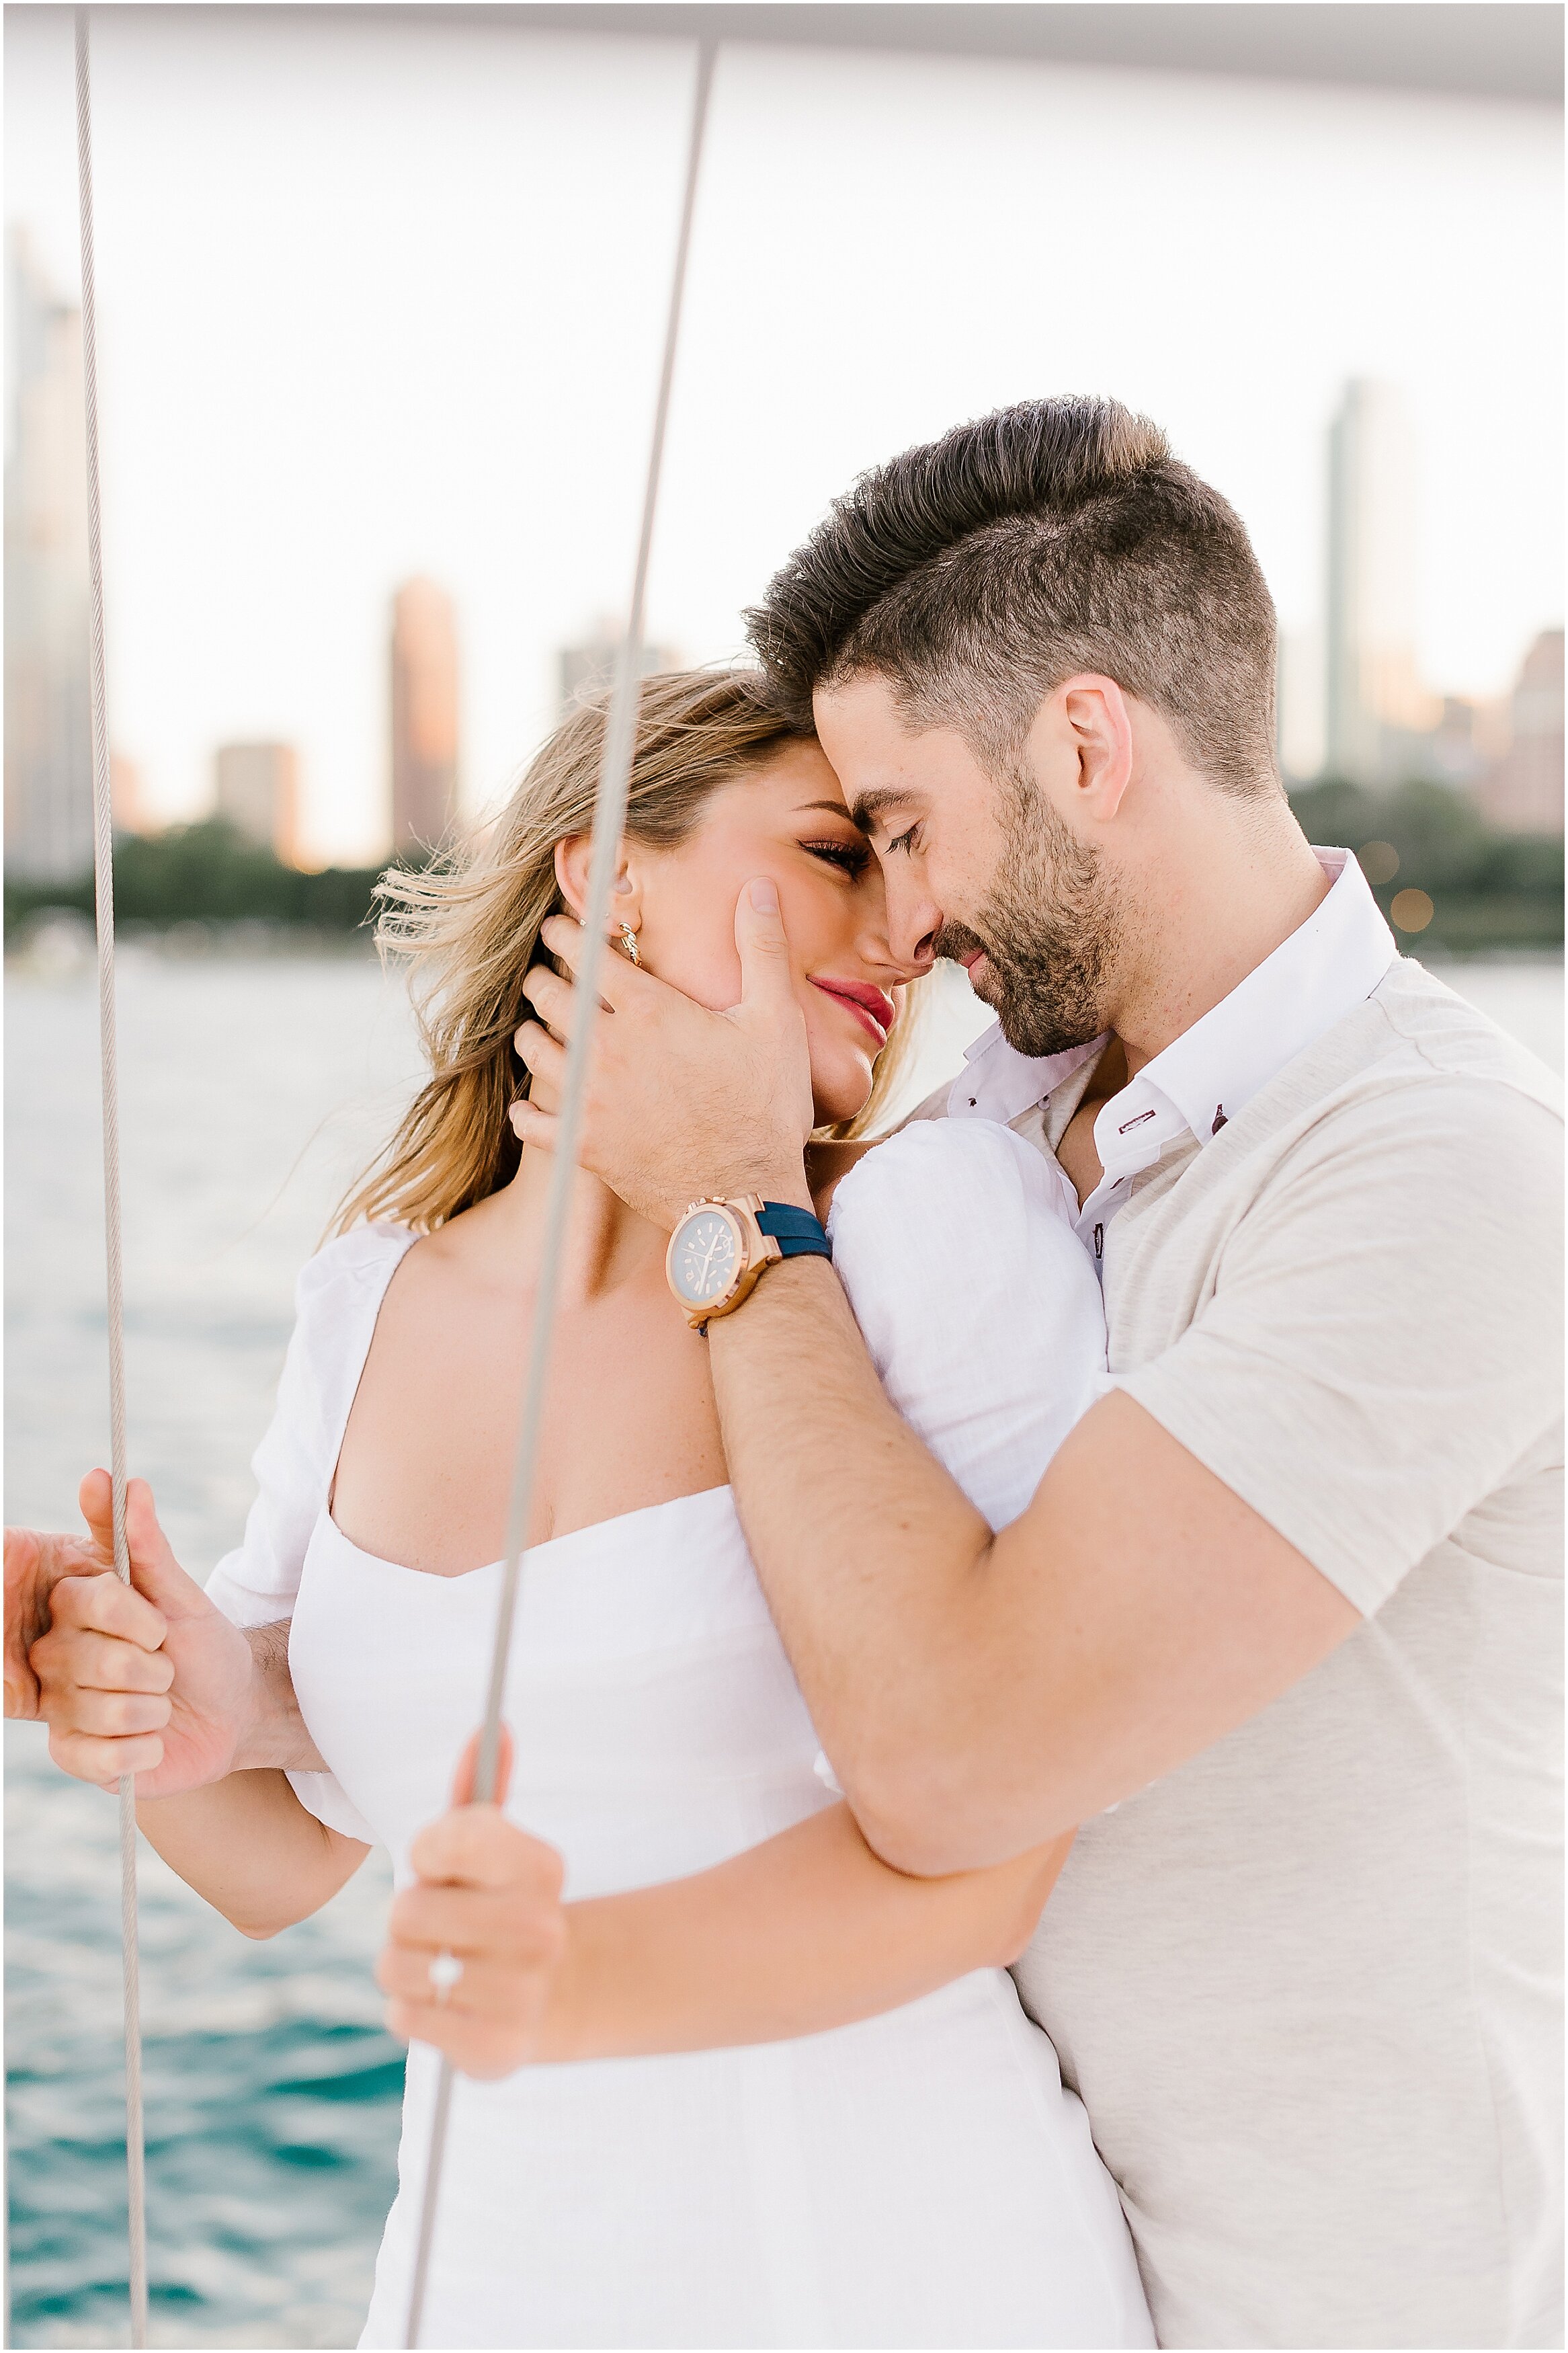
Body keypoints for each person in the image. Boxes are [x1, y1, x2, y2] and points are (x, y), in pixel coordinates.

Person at [504, 401, 1565, 2349]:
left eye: (901, 827)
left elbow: (950, 1761)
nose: (899, 923)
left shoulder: (1438, 1170)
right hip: (998, 2269)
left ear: (1083, 745)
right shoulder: (981, 1120)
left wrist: (735, 1196)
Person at [10, 669, 1153, 2350]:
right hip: (487, 2281)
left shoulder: (928, 1232)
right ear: (603, 871)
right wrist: (157, 1718)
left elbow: (991, 1862)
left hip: (894, 2268)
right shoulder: (369, 1298)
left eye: (905, 864)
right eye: (839, 848)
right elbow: (274, 1864)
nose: (909, 928)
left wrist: (569, 1986)